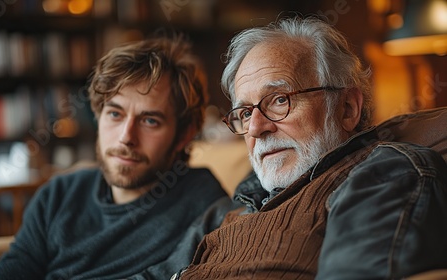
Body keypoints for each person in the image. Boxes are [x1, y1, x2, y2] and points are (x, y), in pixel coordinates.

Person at [173, 16, 447, 279]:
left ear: (347, 108)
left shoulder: (384, 174)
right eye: (245, 112)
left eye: (279, 100)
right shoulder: (241, 201)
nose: (256, 128)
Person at [0, 36, 229, 279]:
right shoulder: (59, 194)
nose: (126, 137)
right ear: (98, 115)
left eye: (149, 121)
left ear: (183, 135)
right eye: (115, 113)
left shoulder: (204, 205)